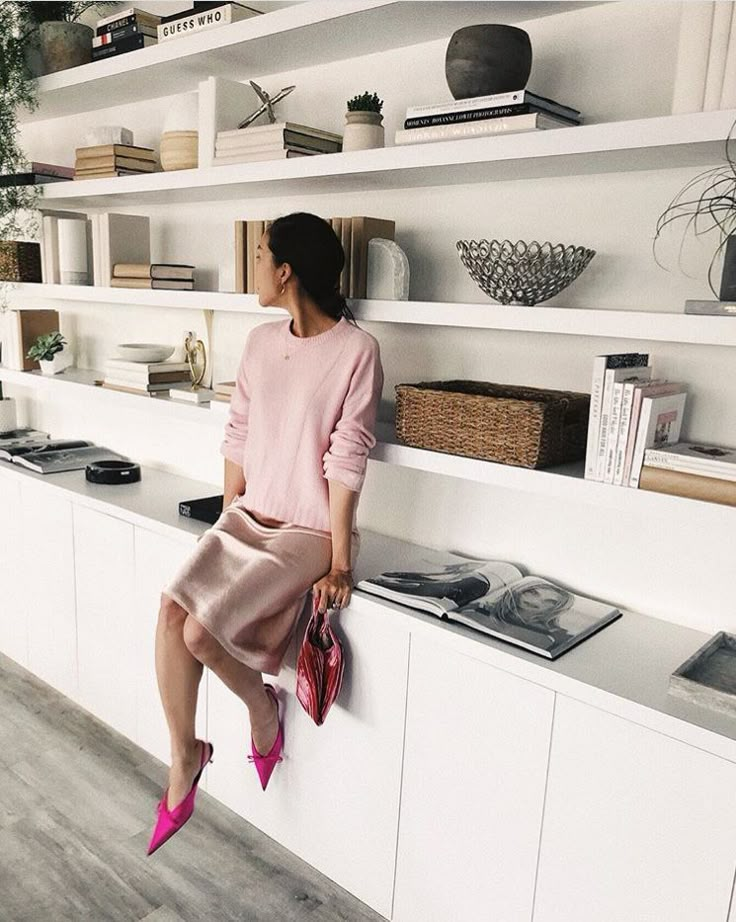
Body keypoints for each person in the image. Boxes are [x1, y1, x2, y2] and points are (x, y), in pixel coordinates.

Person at [148, 212, 384, 853]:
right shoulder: (258, 343)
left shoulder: (356, 352)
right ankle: (184, 756)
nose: (253, 268)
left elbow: (347, 457)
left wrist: (339, 560)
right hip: (249, 517)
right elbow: (239, 434)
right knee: (173, 610)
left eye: (259, 257)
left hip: (306, 532)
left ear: (285, 272)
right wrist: (229, 517)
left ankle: (261, 711)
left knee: (202, 631)